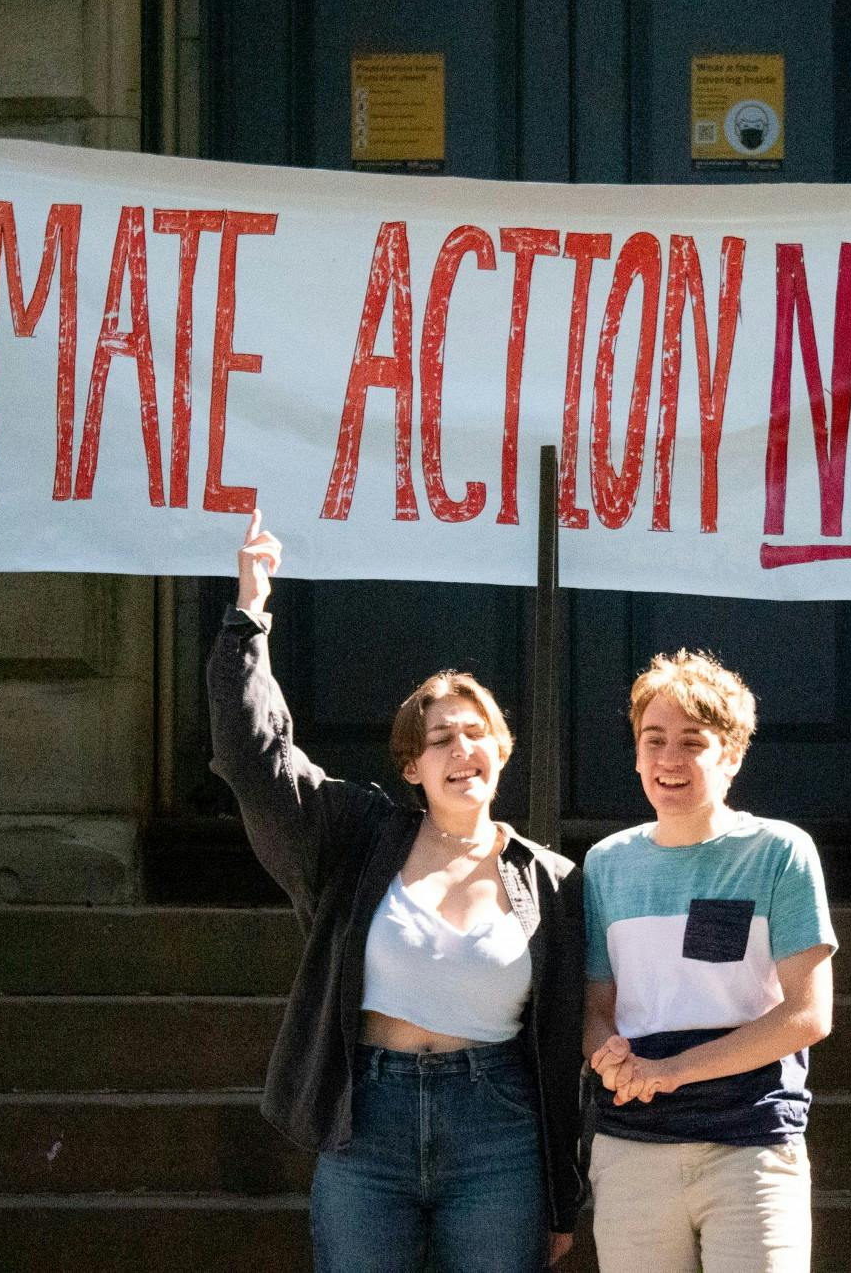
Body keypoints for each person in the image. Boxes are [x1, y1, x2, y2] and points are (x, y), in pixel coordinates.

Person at [208, 511, 583, 1272]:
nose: (461, 749)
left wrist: (563, 1191)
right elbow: (257, 760)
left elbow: (569, 1041)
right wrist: (250, 616)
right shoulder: (362, 837)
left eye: (476, 734)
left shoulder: (552, 880)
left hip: (498, 1131)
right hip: (366, 1120)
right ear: (412, 767)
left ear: (502, 753)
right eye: (440, 739)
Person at [582, 649, 835, 1273]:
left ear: (731, 754)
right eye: (653, 739)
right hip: (633, 1148)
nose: (669, 759)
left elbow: (808, 1015)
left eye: (692, 741)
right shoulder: (605, 864)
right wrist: (607, 1054)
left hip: (750, 1146)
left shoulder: (780, 852)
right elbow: (595, 1010)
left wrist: (671, 1071)